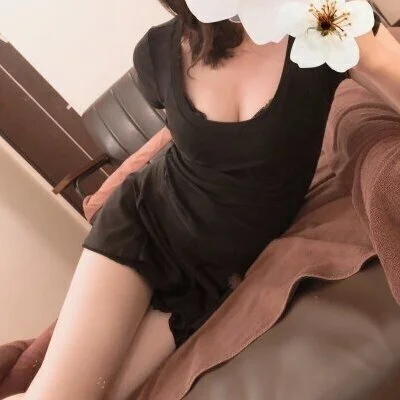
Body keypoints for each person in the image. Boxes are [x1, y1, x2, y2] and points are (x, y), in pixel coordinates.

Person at [9, 1, 400, 399]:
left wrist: (365, 41)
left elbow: (389, 74)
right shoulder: (158, 52)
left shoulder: (322, 22)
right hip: (144, 230)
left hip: (210, 279)